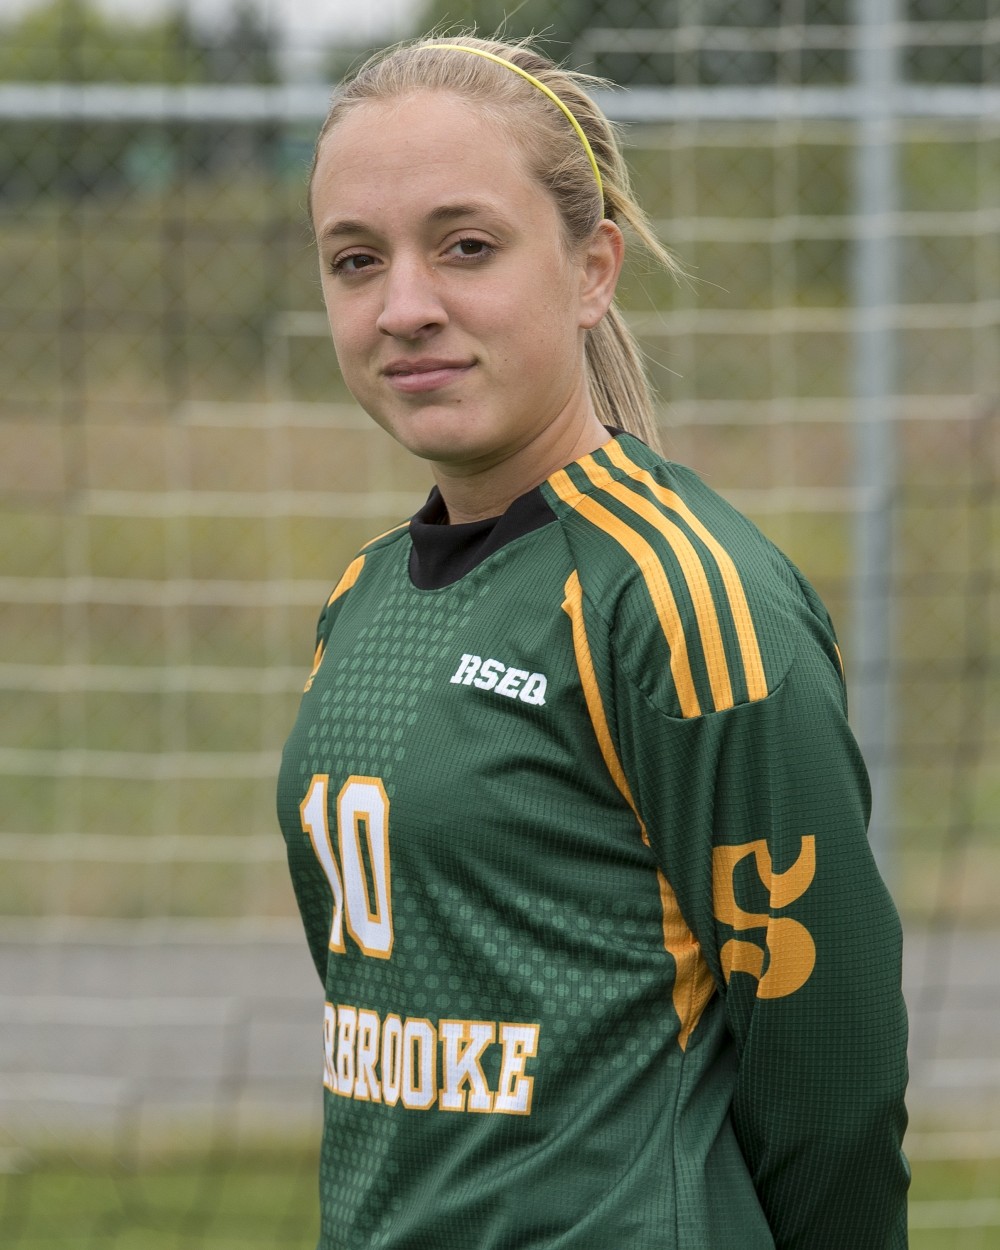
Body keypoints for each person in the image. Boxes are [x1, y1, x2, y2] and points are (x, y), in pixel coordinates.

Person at [276, 33, 909, 1250]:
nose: (405, 307)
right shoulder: (362, 596)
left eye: (466, 246)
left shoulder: (684, 599)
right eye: (357, 260)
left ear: (592, 269)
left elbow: (831, 1076)